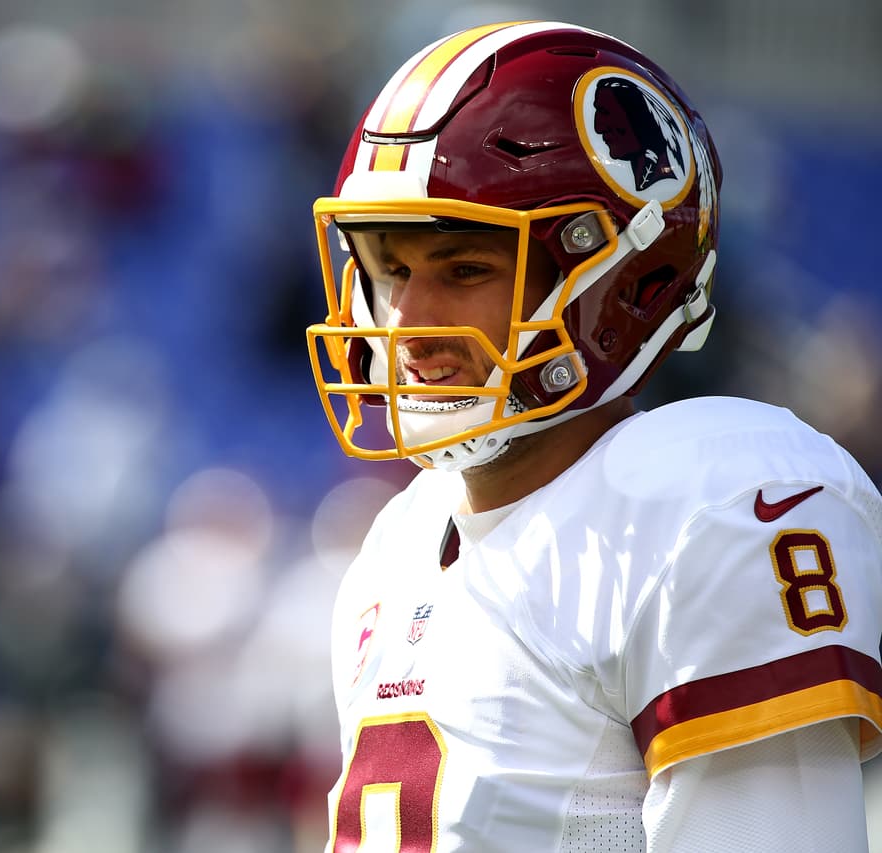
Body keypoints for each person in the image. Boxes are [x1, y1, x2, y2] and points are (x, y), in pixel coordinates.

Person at [304, 20, 882, 852]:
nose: (410, 322)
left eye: (464, 270)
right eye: (391, 269)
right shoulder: (395, 549)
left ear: (618, 279)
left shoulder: (703, 507)